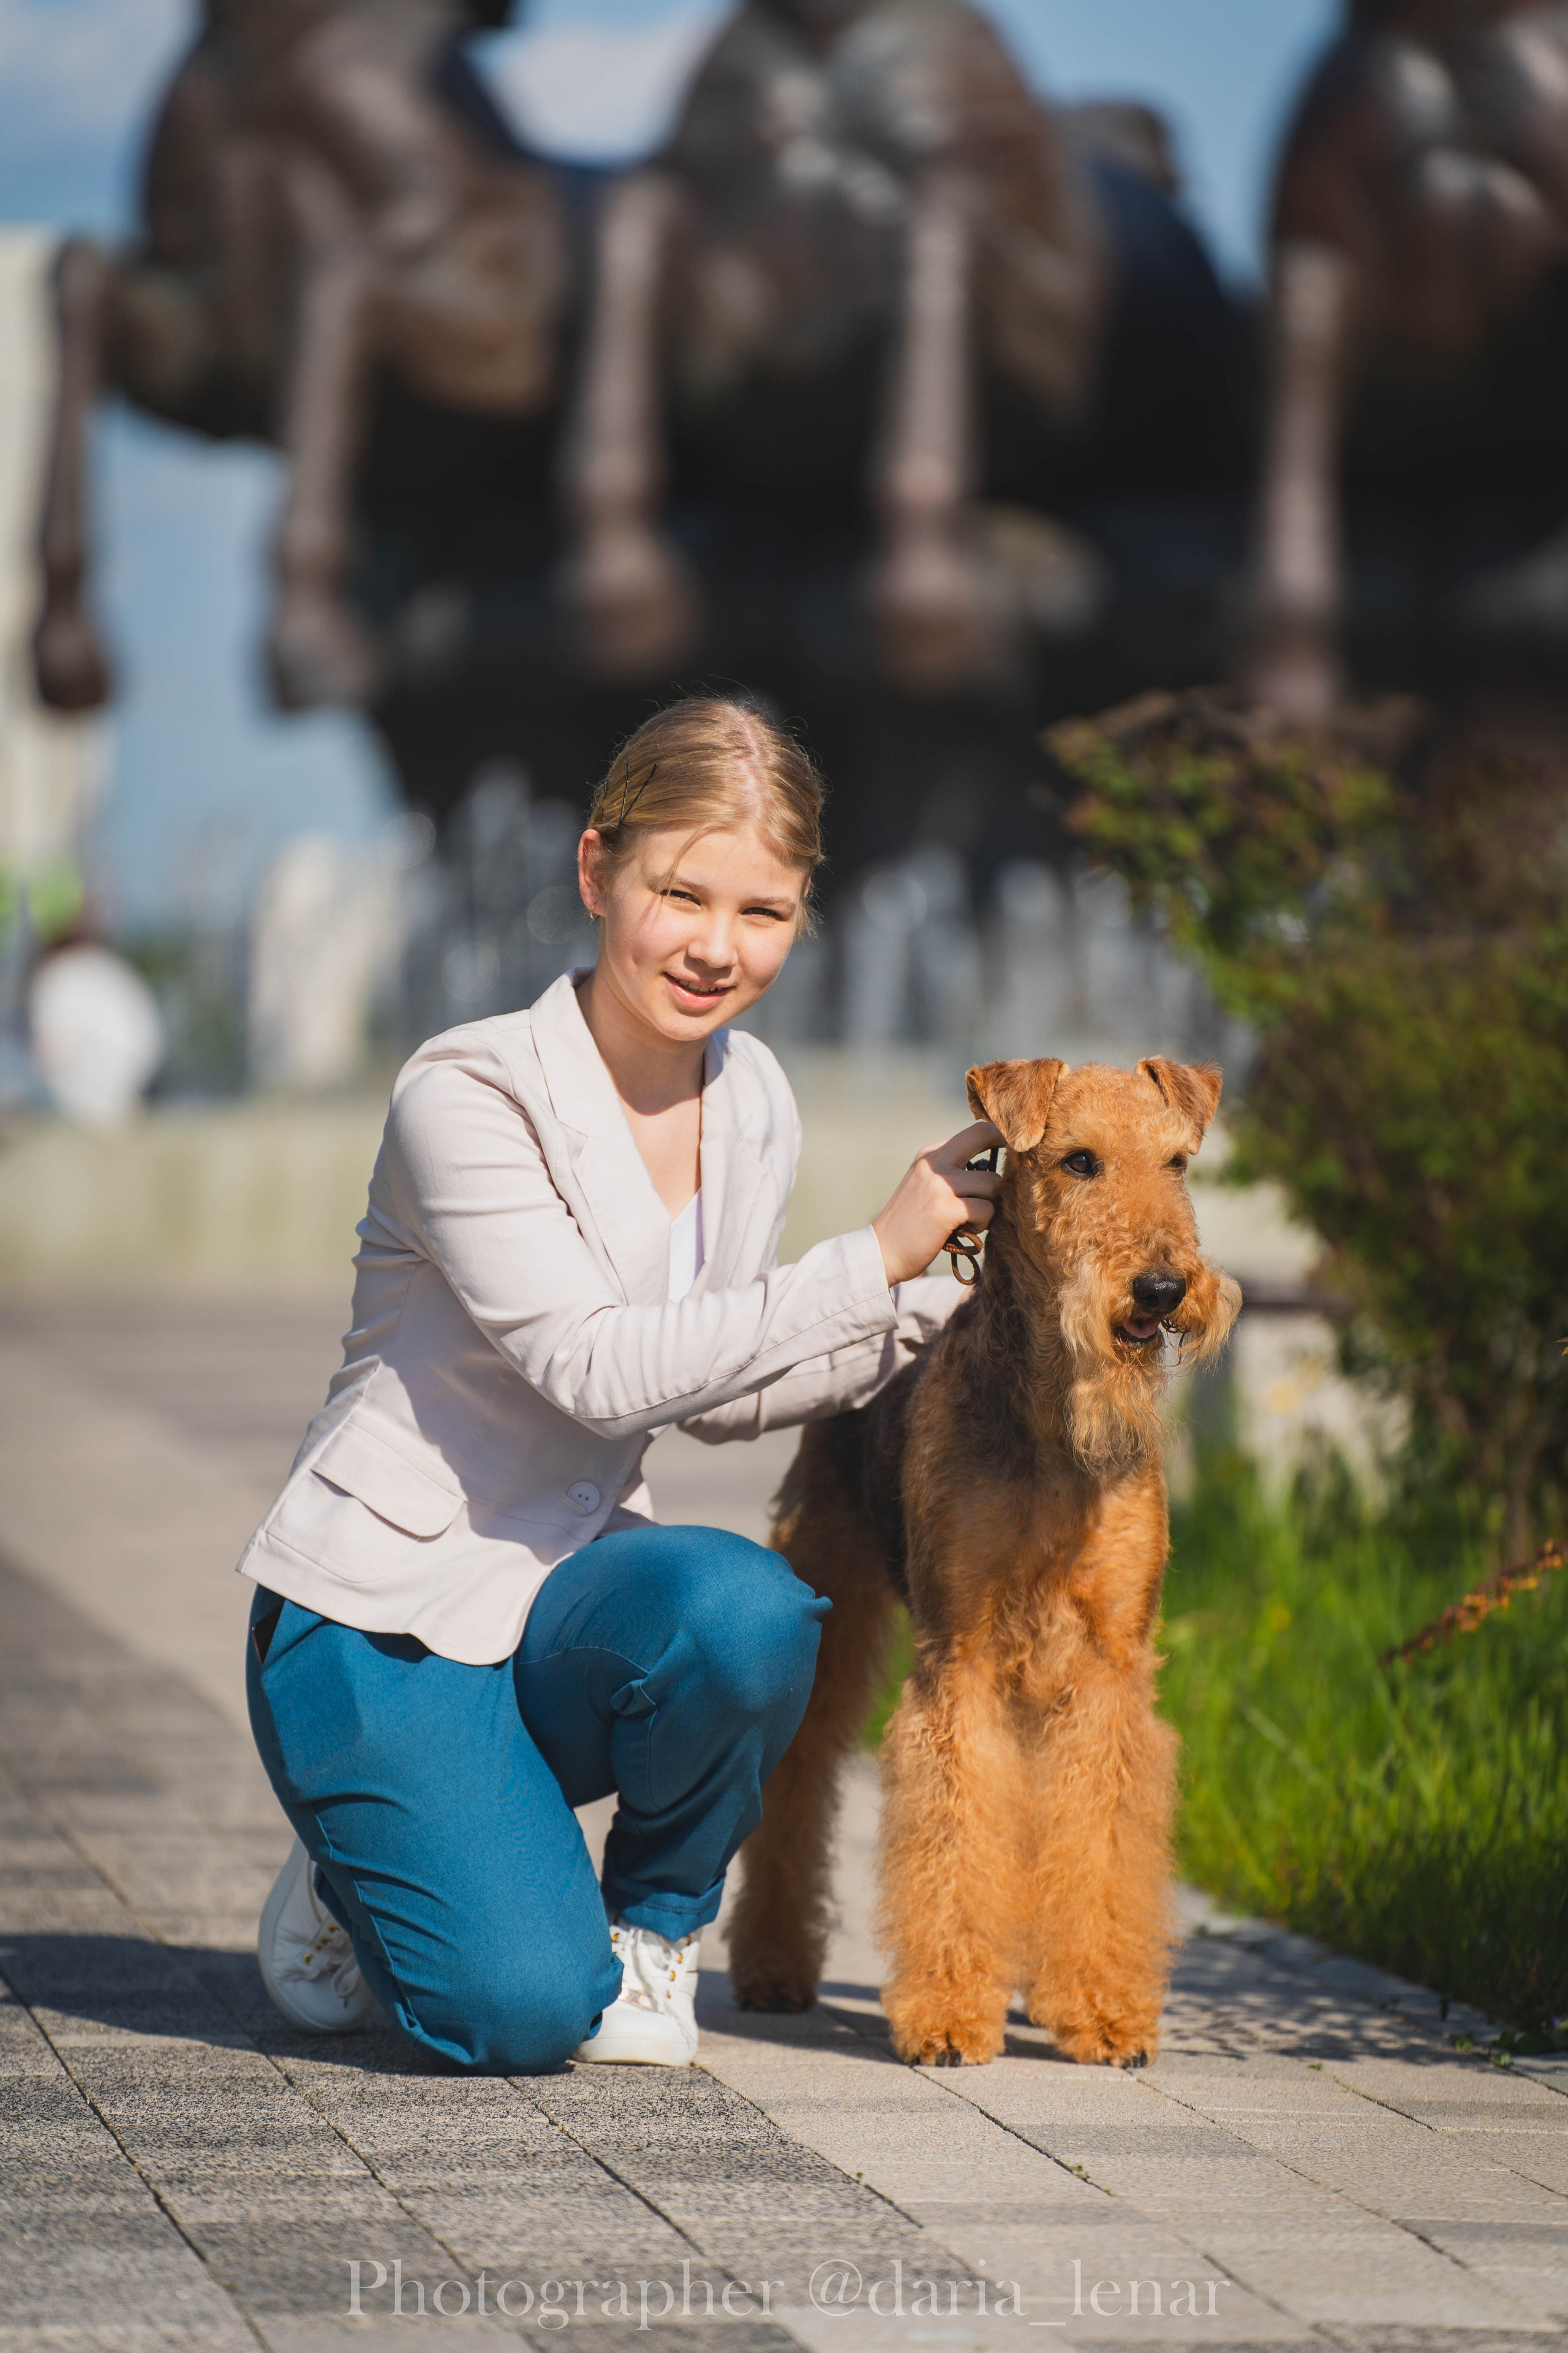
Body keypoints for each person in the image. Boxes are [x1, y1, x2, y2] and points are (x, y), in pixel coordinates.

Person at [239, 697, 1002, 2072]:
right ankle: (356, 1851)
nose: (717, 947)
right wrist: (873, 1254)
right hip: (380, 1618)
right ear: (597, 871)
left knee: (751, 1612)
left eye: (764, 912)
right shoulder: (466, 1093)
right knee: (521, 2009)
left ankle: (653, 1925)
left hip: (559, 1601)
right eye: (681, 894)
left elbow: (716, 1385)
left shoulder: (753, 1097)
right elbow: (596, 1370)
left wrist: (939, 1309)